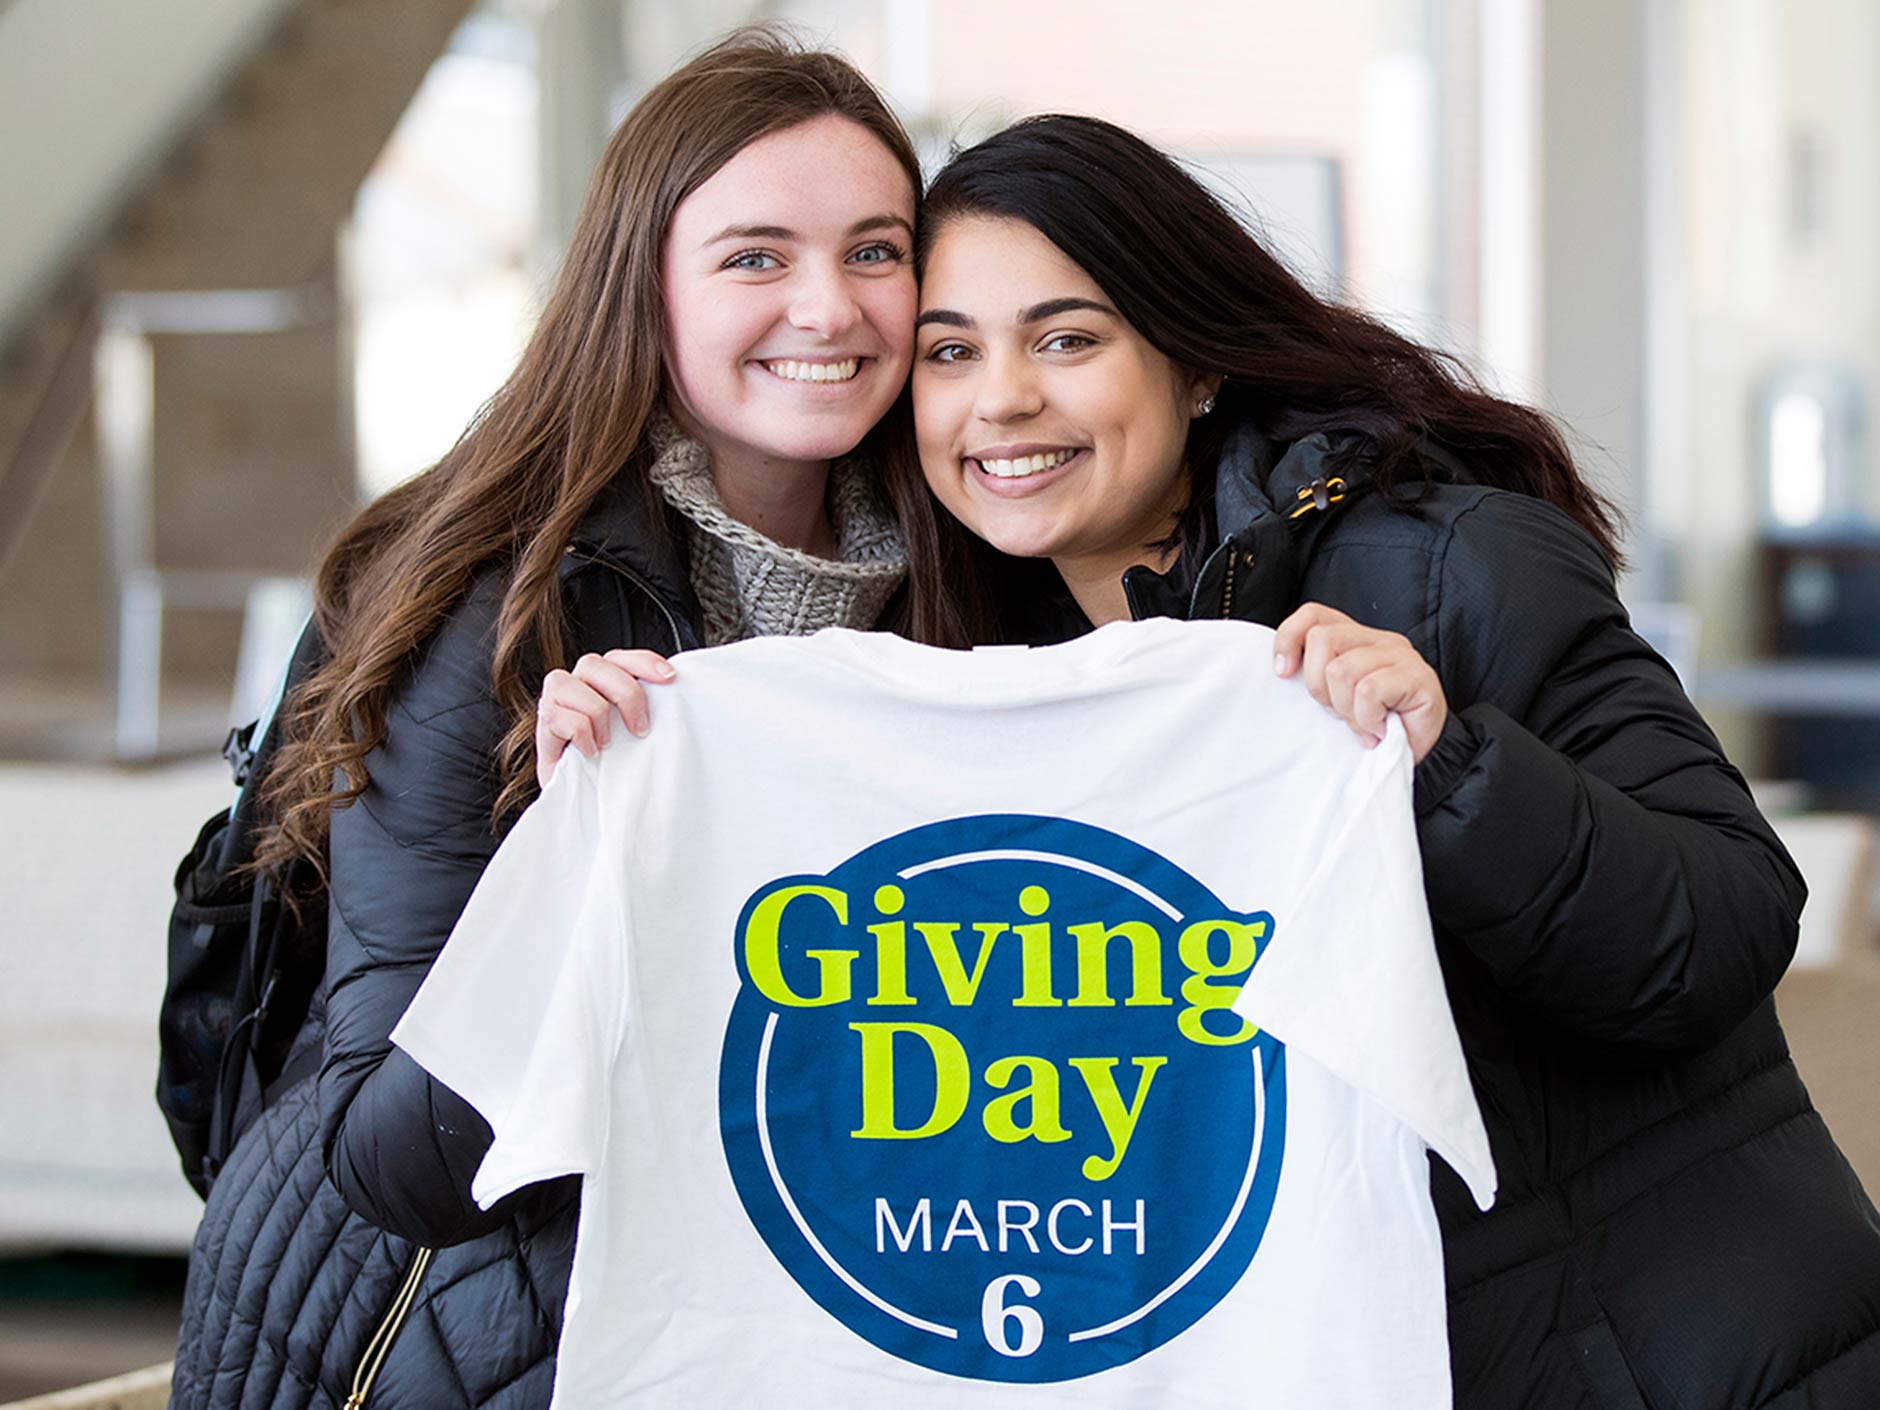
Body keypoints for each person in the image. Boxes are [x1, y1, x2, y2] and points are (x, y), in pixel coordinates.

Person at [880, 112, 1880, 1407]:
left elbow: (1730, 921)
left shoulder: (1443, 564)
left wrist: (1452, 766)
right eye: (947, 351)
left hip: (1675, 1358)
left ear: (1191, 365)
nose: (1001, 396)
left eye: (1066, 337)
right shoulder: (999, 692)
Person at [167, 29, 922, 1409]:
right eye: (757, 256)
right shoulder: (491, 607)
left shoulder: (956, 587)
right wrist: (576, 867)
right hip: (430, 1332)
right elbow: (395, 1159)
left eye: (876, 251)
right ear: (648, 289)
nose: (831, 308)